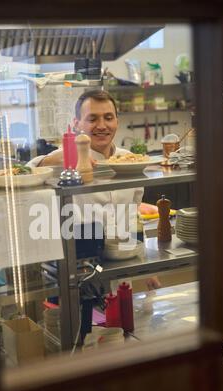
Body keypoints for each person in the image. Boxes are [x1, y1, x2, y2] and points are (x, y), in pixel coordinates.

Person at [27, 90, 161, 290]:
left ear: (117, 120)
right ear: (77, 124)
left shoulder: (130, 161)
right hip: (77, 270)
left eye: (108, 118)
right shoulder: (65, 158)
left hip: (121, 268)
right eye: (92, 119)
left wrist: (145, 267)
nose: (102, 126)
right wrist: (51, 159)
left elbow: (133, 220)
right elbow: (26, 171)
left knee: (118, 319)